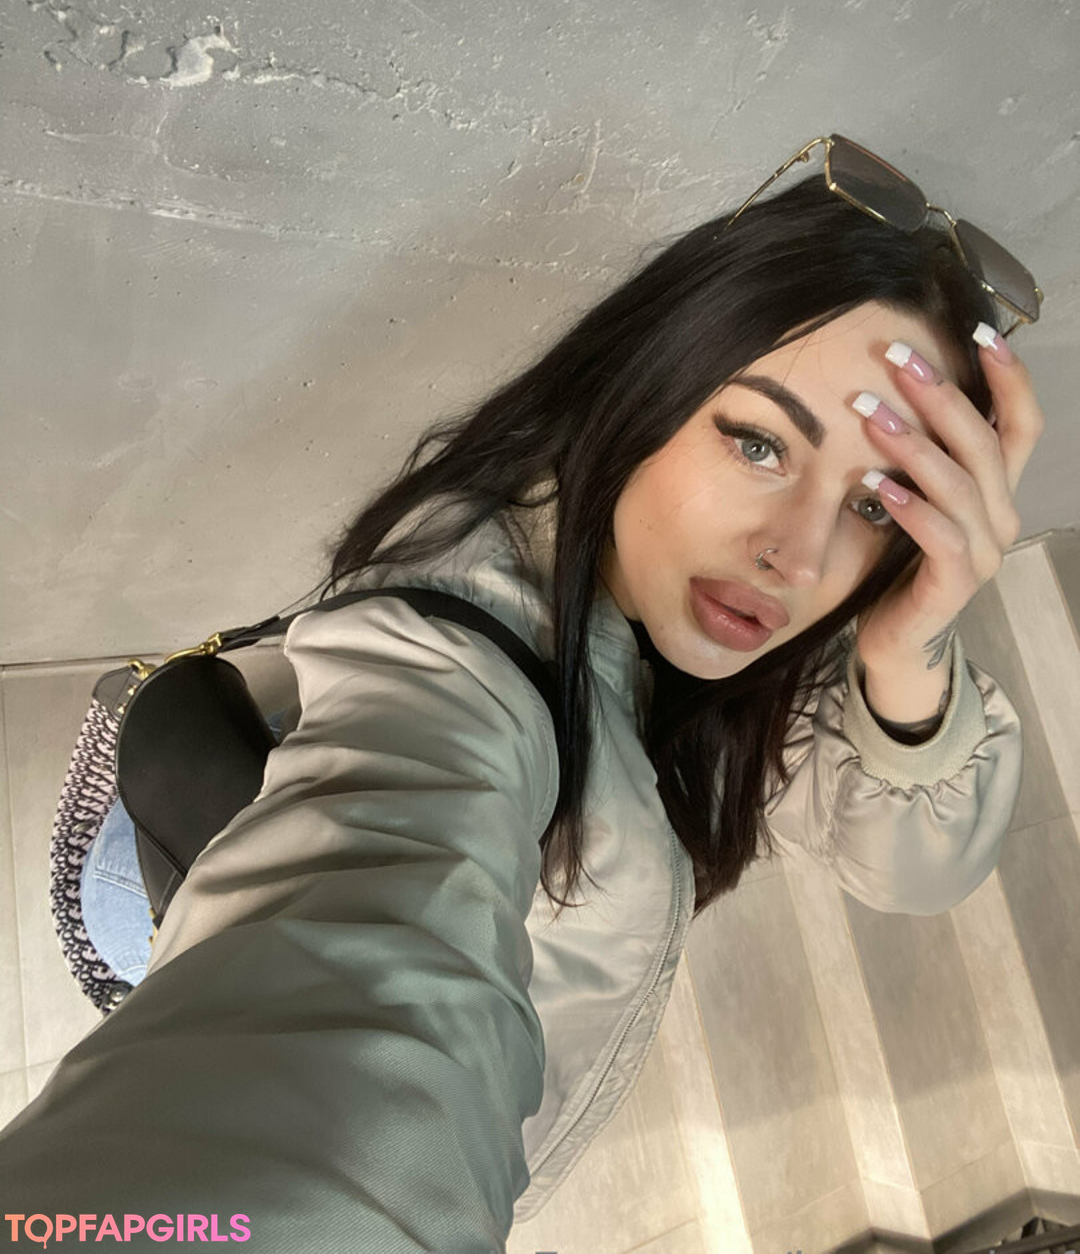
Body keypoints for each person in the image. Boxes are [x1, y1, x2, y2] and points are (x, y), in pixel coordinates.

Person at [0, 139, 1043, 1252]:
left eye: (875, 504)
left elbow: (914, 869)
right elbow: (311, 1120)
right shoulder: (461, 653)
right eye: (757, 442)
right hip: (202, 950)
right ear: (651, 378)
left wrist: (909, 648)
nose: (799, 553)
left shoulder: (741, 631)